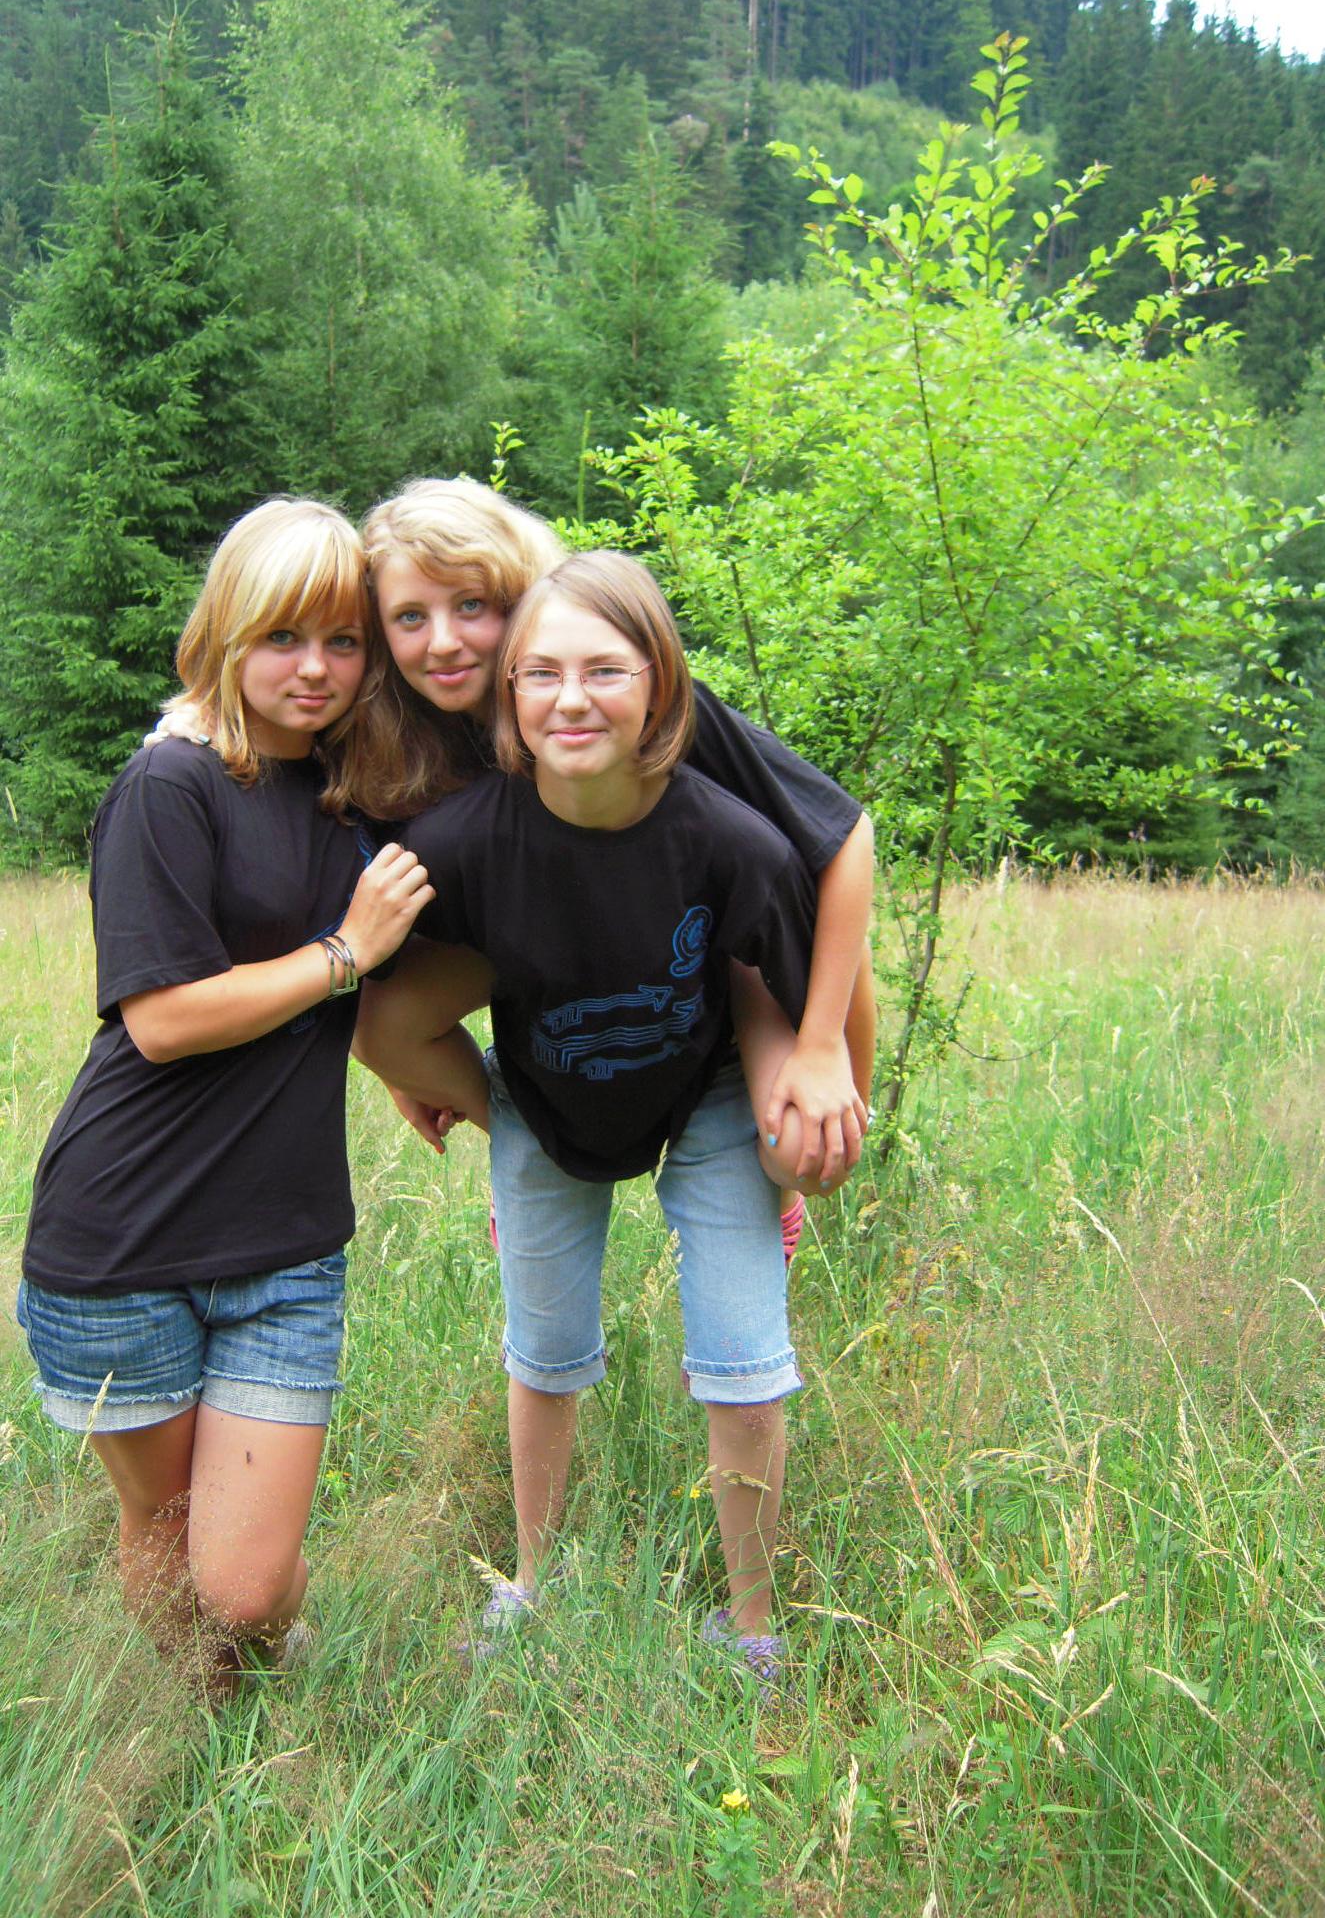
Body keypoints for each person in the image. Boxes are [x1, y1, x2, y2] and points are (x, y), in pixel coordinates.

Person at [353, 552, 839, 1687]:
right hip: (540, 1093)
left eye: (605, 671)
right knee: (544, 1350)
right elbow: (381, 1015)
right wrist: (479, 1102)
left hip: (708, 1089)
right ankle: (532, 1582)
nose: (571, 699)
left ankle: (752, 1625)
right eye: (541, 674)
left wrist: (803, 1139)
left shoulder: (736, 842)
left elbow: (804, 987)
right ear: (509, 696)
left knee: (745, 1359)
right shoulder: (460, 839)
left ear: (660, 685)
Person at [18, 499, 434, 1694]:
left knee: (245, 1582)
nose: (315, 668)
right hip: (125, 1235)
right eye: (282, 636)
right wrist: (343, 955)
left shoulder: (351, 793)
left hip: (284, 1240)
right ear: (226, 633)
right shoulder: (170, 784)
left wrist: (403, 1058)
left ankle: (268, 1647)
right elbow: (161, 1018)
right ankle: (219, 1732)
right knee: (163, 1525)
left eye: (343, 640)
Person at [347, 478, 877, 1213]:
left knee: (809, 1152)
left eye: (471, 604)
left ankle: (771, 1176)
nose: (442, 640)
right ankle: (529, 1150)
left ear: (521, 599)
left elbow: (840, 839)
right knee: (378, 1025)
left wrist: (825, 1055)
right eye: (410, 616)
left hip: (710, 941)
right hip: (546, 942)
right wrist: (406, 1067)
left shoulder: (624, 703)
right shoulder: (397, 736)